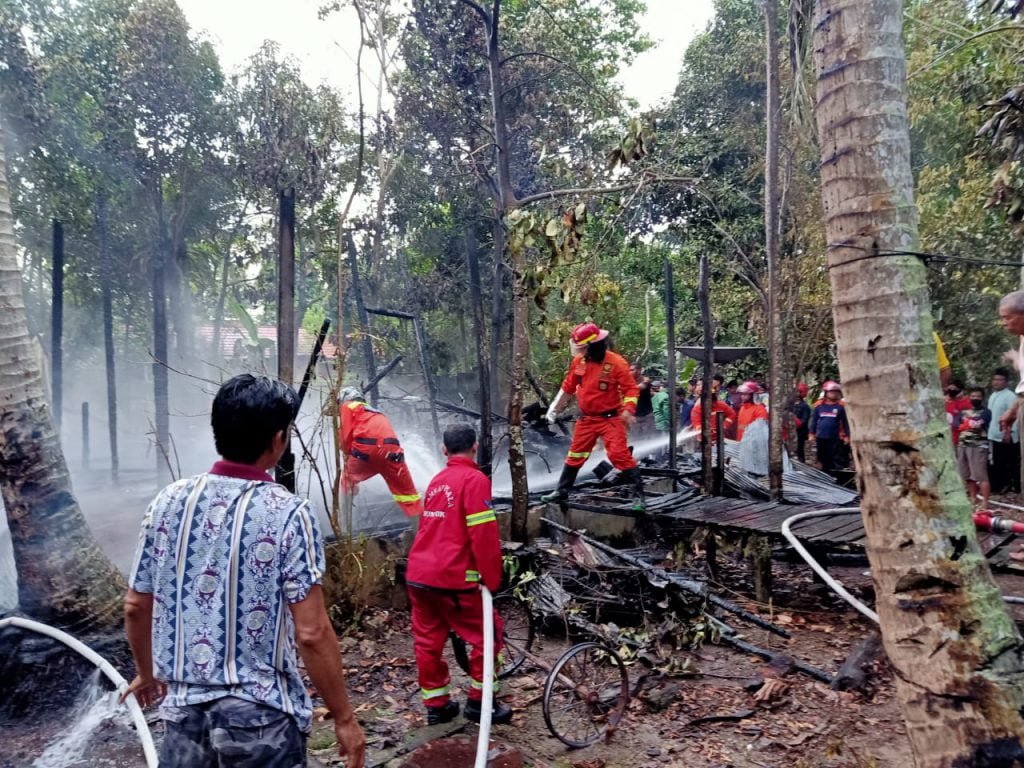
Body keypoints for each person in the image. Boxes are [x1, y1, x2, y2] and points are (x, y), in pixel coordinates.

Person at [121, 374, 366, 768]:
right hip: (261, 719)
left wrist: (147, 673)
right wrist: (344, 718)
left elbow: (135, 604)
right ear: (277, 440)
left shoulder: (169, 501)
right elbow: (312, 631)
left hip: (183, 713)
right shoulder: (289, 513)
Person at [405, 423, 510, 725]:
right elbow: (484, 536)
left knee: (428, 642)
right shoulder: (474, 479)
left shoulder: (437, 481)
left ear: (444, 450)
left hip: (419, 576)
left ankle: (437, 706)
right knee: (488, 636)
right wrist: (492, 578)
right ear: (475, 447)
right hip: (453, 579)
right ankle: (481, 703)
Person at [542, 322, 645, 510]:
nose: (580, 352)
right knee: (575, 455)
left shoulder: (616, 363)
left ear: (593, 345)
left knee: (618, 455)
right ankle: (561, 491)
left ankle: (638, 497)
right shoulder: (579, 362)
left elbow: (631, 389)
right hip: (587, 419)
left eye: (583, 348)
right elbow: (568, 387)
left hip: (611, 418)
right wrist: (553, 410)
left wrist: (628, 409)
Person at [338, 386, 423, 516]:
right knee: (410, 498)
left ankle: (344, 529)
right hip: (394, 453)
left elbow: (345, 438)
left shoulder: (348, 406)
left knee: (346, 482)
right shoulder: (375, 412)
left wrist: (348, 457)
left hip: (366, 451)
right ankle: (421, 534)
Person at [954, 386, 992, 511]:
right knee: (967, 475)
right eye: (973, 396)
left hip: (978, 446)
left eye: (978, 396)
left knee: (981, 475)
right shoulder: (962, 411)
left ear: (982, 398)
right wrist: (967, 424)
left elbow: (977, 424)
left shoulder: (986, 412)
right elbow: (956, 424)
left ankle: (985, 502)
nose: (975, 398)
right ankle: (973, 499)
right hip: (963, 445)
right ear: (969, 397)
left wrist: (967, 424)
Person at [988, 367, 1020, 494]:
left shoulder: (1010, 396)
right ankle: (996, 486)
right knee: (995, 461)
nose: (996, 382)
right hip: (993, 434)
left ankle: (1008, 485)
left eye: (1000, 380)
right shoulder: (993, 395)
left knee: (1007, 462)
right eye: (994, 379)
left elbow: (1015, 416)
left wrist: (1010, 432)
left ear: (1006, 382)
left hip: (1006, 435)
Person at [809, 380, 850, 472]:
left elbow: (846, 422)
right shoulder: (819, 406)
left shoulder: (842, 406)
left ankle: (837, 477)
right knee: (823, 458)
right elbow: (814, 421)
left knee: (836, 459)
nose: (834, 394)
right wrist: (811, 434)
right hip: (821, 437)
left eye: (836, 392)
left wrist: (847, 436)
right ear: (826, 392)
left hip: (836, 438)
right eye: (832, 392)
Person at [690, 379, 737, 445]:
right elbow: (697, 424)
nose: (708, 400)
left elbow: (732, 414)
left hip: (719, 440)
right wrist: (706, 432)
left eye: (710, 397)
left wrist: (723, 426)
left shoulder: (721, 405)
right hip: (703, 442)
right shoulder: (696, 409)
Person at [944, 380, 972, 447]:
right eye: (950, 388)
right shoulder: (943, 401)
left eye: (954, 389)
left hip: (960, 438)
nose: (952, 390)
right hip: (946, 437)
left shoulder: (966, 402)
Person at [630, 362, 654, 437]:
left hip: (647, 415)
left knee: (648, 438)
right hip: (634, 416)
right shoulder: (629, 381)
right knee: (635, 438)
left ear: (639, 370)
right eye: (629, 370)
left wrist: (629, 388)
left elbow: (640, 388)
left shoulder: (645, 380)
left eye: (632, 370)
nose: (630, 372)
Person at [790, 383, 812, 462]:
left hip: (800, 431)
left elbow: (804, 420)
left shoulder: (804, 406)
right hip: (791, 430)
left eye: (797, 392)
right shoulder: (790, 405)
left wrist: (797, 424)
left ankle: (801, 461)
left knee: (799, 447)